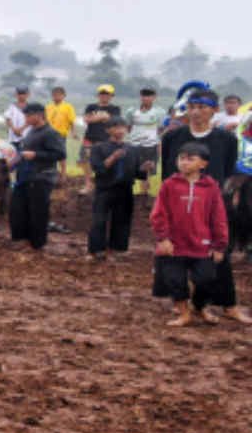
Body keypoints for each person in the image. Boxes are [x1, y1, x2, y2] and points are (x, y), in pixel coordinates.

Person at [159, 89, 249, 323]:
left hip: (213, 206)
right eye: (192, 107)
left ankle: (227, 304)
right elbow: (167, 172)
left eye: (202, 107)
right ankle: (181, 304)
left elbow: (227, 169)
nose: (196, 112)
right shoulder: (172, 137)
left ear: (214, 110)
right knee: (176, 255)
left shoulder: (226, 139)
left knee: (219, 255)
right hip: (179, 205)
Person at [151, 143, 228, 327]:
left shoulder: (211, 187)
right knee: (175, 280)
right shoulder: (169, 185)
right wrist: (163, 238)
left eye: (190, 159)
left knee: (205, 279)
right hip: (173, 245)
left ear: (203, 164)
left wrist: (219, 245)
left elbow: (219, 217)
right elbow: (159, 213)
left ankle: (199, 308)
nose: (184, 163)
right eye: (181, 159)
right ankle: (184, 313)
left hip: (202, 245)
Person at [87, 119, 149, 261]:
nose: (120, 130)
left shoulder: (132, 149)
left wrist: (145, 168)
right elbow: (98, 169)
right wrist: (113, 157)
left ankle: (117, 248)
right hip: (105, 188)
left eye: (123, 127)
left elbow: (137, 173)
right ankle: (97, 249)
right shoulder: (99, 148)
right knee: (99, 220)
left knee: (122, 220)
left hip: (125, 189)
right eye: (116, 127)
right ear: (108, 130)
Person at [9, 103, 66, 251]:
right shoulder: (31, 132)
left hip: (41, 177)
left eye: (28, 116)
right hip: (25, 176)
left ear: (40, 115)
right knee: (18, 208)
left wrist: (36, 155)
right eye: (25, 116)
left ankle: (36, 244)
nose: (26, 119)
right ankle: (21, 238)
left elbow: (60, 154)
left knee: (37, 211)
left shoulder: (50, 133)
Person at [79, 84, 122, 195]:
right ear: (98, 95)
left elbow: (114, 122)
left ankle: (106, 185)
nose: (104, 96)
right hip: (90, 138)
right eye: (102, 93)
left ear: (111, 95)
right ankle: (88, 184)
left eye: (107, 94)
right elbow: (86, 119)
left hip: (106, 139)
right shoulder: (91, 107)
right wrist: (102, 117)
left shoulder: (115, 108)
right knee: (86, 161)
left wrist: (95, 118)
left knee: (107, 163)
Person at [125, 88, 164, 196]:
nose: (146, 98)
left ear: (154, 97)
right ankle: (129, 192)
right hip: (134, 144)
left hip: (151, 144)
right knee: (132, 168)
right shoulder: (132, 111)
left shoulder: (159, 112)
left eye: (149, 95)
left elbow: (160, 129)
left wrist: (157, 143)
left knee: (147, 170)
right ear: (140, 97)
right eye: (144, 95)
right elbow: (128, 127)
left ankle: (144, 194)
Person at [45, 86, 77, 178]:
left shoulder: (68, 107)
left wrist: (73, 132)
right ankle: (52, 172)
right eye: (54, 95)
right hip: (49, 134)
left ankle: (63, 174)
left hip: (60, 134)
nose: (56, 97)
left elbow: (72, 121)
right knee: (50, 153)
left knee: (61, 154)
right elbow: (45, 121)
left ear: (64, 96)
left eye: (59, 95)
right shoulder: (48, 107)